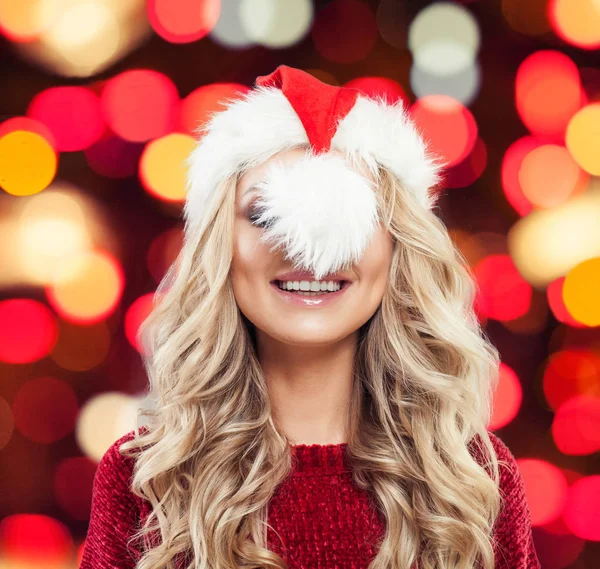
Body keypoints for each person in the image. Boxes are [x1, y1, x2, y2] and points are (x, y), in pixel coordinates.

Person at [79, 65, 542, 569]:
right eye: (264, 215)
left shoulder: (472, 480)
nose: (310, 253)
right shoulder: (146, 480)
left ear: (397, 245)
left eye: (350, 212)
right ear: (219, 245)